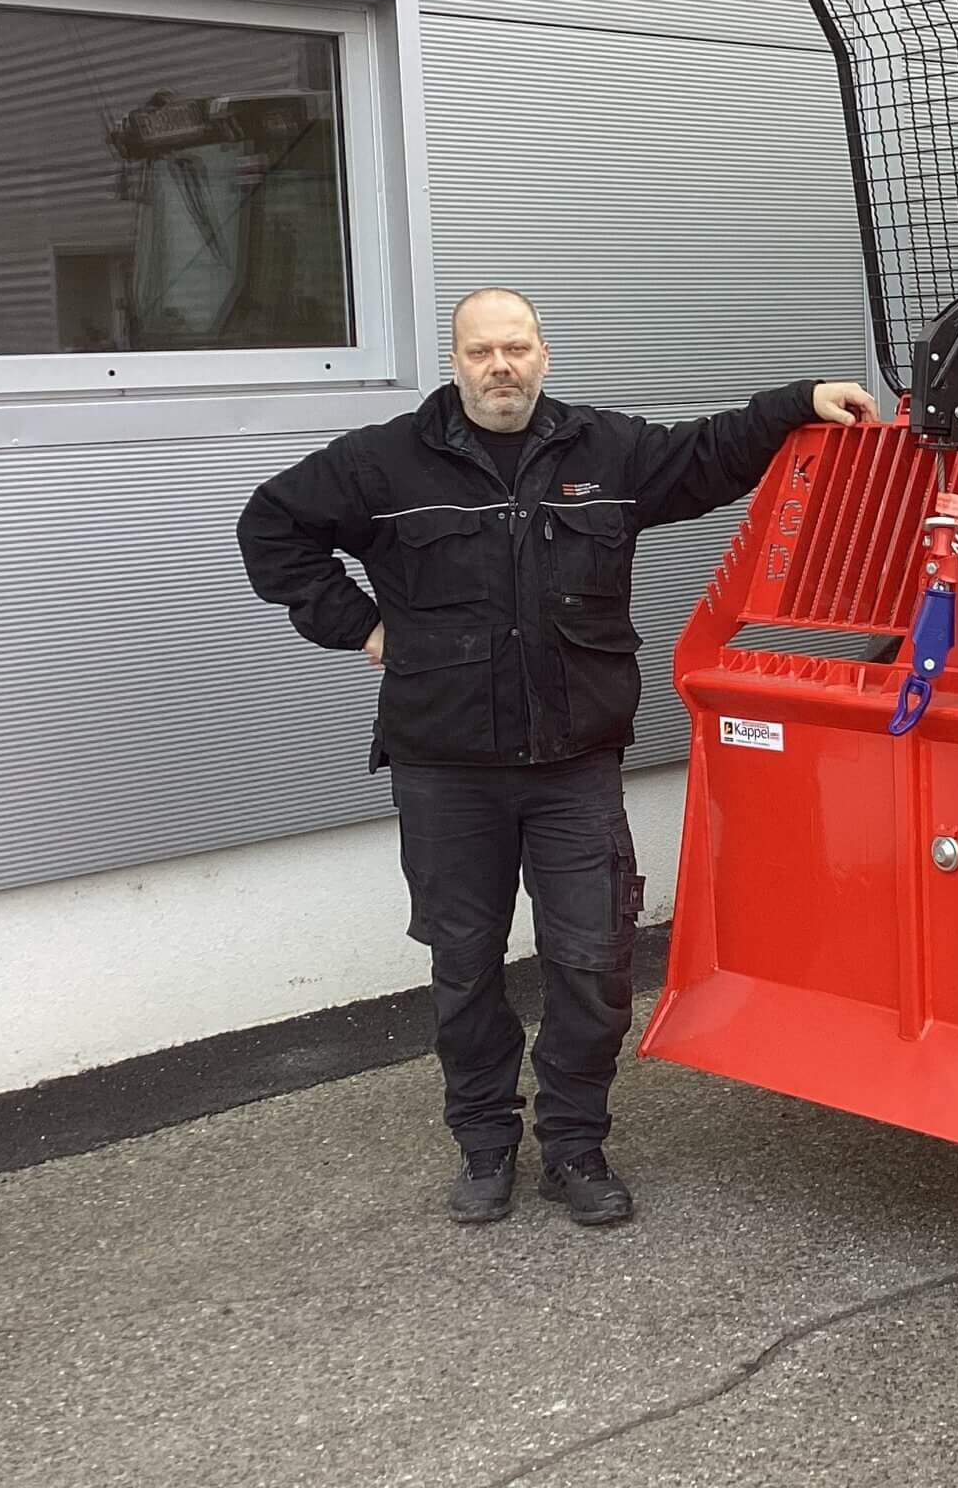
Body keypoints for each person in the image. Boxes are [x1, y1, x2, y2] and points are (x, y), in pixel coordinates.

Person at [238, 287, 877, 1226]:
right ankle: (486, 1144)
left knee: (594, 963)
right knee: (466, 968)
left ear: (543, 354)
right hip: (447, 770)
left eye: (518, 347)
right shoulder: (384, 464)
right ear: (454, 363)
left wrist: (796, 401)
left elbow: (708, 456)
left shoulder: (605, 451)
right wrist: (364, 626)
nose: (502, 367)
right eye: (482, 351)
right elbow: (270, 527)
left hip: (575, 766)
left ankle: (574, 1146)